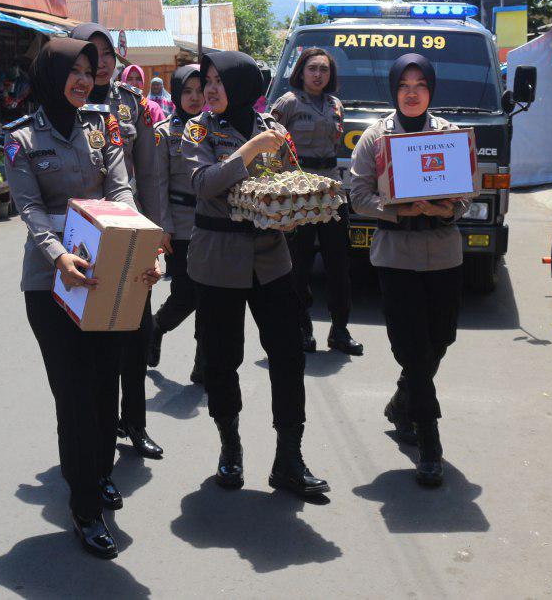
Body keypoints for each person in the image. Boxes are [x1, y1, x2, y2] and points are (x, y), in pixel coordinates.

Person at [5, 37, 160, 560]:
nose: (82, 80)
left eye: (88, 72)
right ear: (51, 76)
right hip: (50, 282)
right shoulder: (21, 138)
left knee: (104, 386)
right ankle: (85, 506)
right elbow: (30, 209)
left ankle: (97, 473)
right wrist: (58, 256)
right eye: (73, 71)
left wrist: (139, 245)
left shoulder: (103, 125)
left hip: (106, 272)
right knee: (74, 395)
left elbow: (121, 190)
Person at [182, 51, 329, 497]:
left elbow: (286, 183)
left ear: (242, 86)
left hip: (270, 258)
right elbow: (203, 183)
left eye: (219, 81)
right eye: (207, 81)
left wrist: (295, 208)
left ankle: (289, 458)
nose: (210, 90)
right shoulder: (198, 129)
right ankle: (230, 446)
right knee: (221, 358)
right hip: (219, 258)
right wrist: (250, 150)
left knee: (289, 355)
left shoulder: (272, 128)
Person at [349, 53, 469, 488]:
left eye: (420, 85)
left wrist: (446, 207)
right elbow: (357, 195)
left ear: (431, 91)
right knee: (413, 350)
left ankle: (401, 404)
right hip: (396, 256)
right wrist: (396, 209)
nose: (412, 93)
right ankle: (429, 443)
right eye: (404, 85)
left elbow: (466, 194)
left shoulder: (450, 135)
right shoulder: (375, 138)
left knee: (440, 340)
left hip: (443, 254)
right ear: (394, 91)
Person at [69, 23, 164, 460]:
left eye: (107, 54)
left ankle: (135, 423)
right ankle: (94, 429)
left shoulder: (132, 103)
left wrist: (158, 233)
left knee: (137, 332)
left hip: (130, 230)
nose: (101, 62)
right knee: (88, 337)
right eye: (92, 54)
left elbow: (150, 172)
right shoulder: (65, 101)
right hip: (84, 237)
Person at [270, 47, 361, 356]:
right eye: (312, 68)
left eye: (324, 69)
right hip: (298, 191)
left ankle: (340, 330)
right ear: (301, 71)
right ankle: (301, 327)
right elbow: (270, 145)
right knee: (299, 263)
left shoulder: (336, 105)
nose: (318, 74)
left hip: (331, 189)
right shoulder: (288, 103)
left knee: (339, 262)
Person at [147, 64, 205, 381]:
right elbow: (158, 184)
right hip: (179, 225)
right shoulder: (164, 133)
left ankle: (203, 363)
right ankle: (157, 326)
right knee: (185, 295)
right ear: (176, 94)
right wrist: (163, 227)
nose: (195, 97)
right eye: (187, 91)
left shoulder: (217, 129)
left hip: (213, 224)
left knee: (210, 296)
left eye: (200, 90)